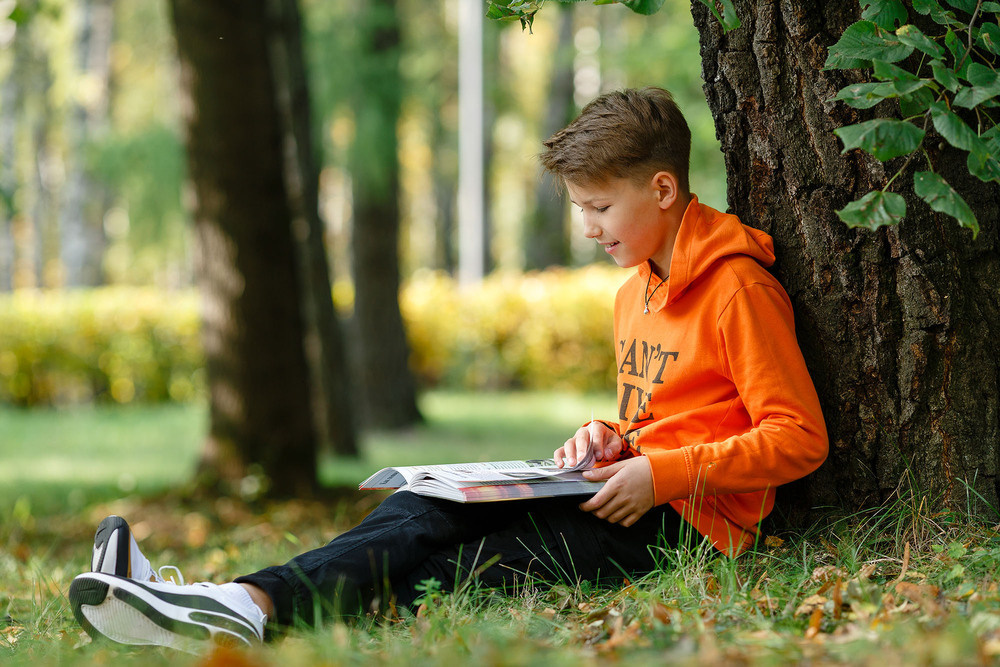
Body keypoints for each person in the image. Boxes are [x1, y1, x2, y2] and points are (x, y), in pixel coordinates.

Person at [68, 87, 828, 653]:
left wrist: (661, 474)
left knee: (465, 565)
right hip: (617, 490)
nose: (587, 226)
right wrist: (608, 435)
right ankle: (232, 598)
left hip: (685, 527)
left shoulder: (738, 288)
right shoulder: (636, 292)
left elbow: (798, 437)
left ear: (663, 189)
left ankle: (225, 607)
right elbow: (664, 413)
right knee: (424, 506)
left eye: (598, 206)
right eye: (578, 208)